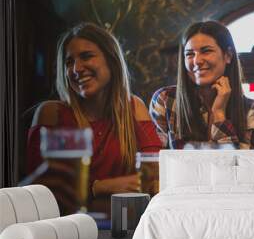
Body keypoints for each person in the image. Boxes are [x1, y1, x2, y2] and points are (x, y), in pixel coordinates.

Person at [26, 23, 162, 215]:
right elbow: (38, 192)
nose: (76, 69)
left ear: (111, 60)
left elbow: (154, 174)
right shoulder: (51, 113)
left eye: (86, 56)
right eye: (68, 62)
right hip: (68, 230)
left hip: (125, 226)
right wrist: (100, 187)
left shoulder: (134, 107)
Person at [149, 21, 254, 149]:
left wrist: (219, 114)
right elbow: (157, 161)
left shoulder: (252, 110)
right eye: (190, 54)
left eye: (206, 51)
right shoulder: (165, 100)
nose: (197, 61)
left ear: (228, 55)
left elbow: (239, 166)